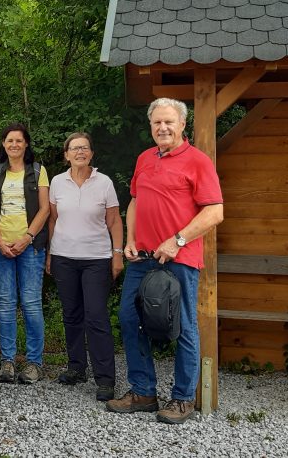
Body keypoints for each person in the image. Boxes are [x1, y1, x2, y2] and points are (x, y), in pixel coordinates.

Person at [107, 98, 224, 425]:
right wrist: (130, 239)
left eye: (169, 122)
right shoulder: (144, 158)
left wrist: (178, 239)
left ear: (182, 124)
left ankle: (183, 398)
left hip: (179, 259)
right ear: (150, 126)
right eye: (157, 122)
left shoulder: (198, 161)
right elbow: (134, 201)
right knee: (130, 319)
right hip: (141, 258)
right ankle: (143, 392)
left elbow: (215, 211)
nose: (163, 128)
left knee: (183, 325)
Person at [46, 132, 123, 402]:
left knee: (97, 316)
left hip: (96, 258)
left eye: (85, 148)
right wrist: (50, 254)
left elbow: (114, 221)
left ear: (91, 153)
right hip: (64, 257)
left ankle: (105, 379)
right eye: (74, 148)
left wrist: (117, 254)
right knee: (71, 315)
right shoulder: (57, 182)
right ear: (66, 154)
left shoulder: (104, 183)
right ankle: (77, 367)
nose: (80, 152)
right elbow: (53, 220)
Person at [0, 123, 50, 385]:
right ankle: (7, 361)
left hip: (30, 247)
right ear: (3, 144)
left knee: (32, 305)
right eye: (10, 141)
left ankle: (35, 362)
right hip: (0, 246)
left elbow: (44, 209)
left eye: (19, 141)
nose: (14, 145)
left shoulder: (38, 171)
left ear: (26, 144)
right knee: (6, 305)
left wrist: (27, 238)